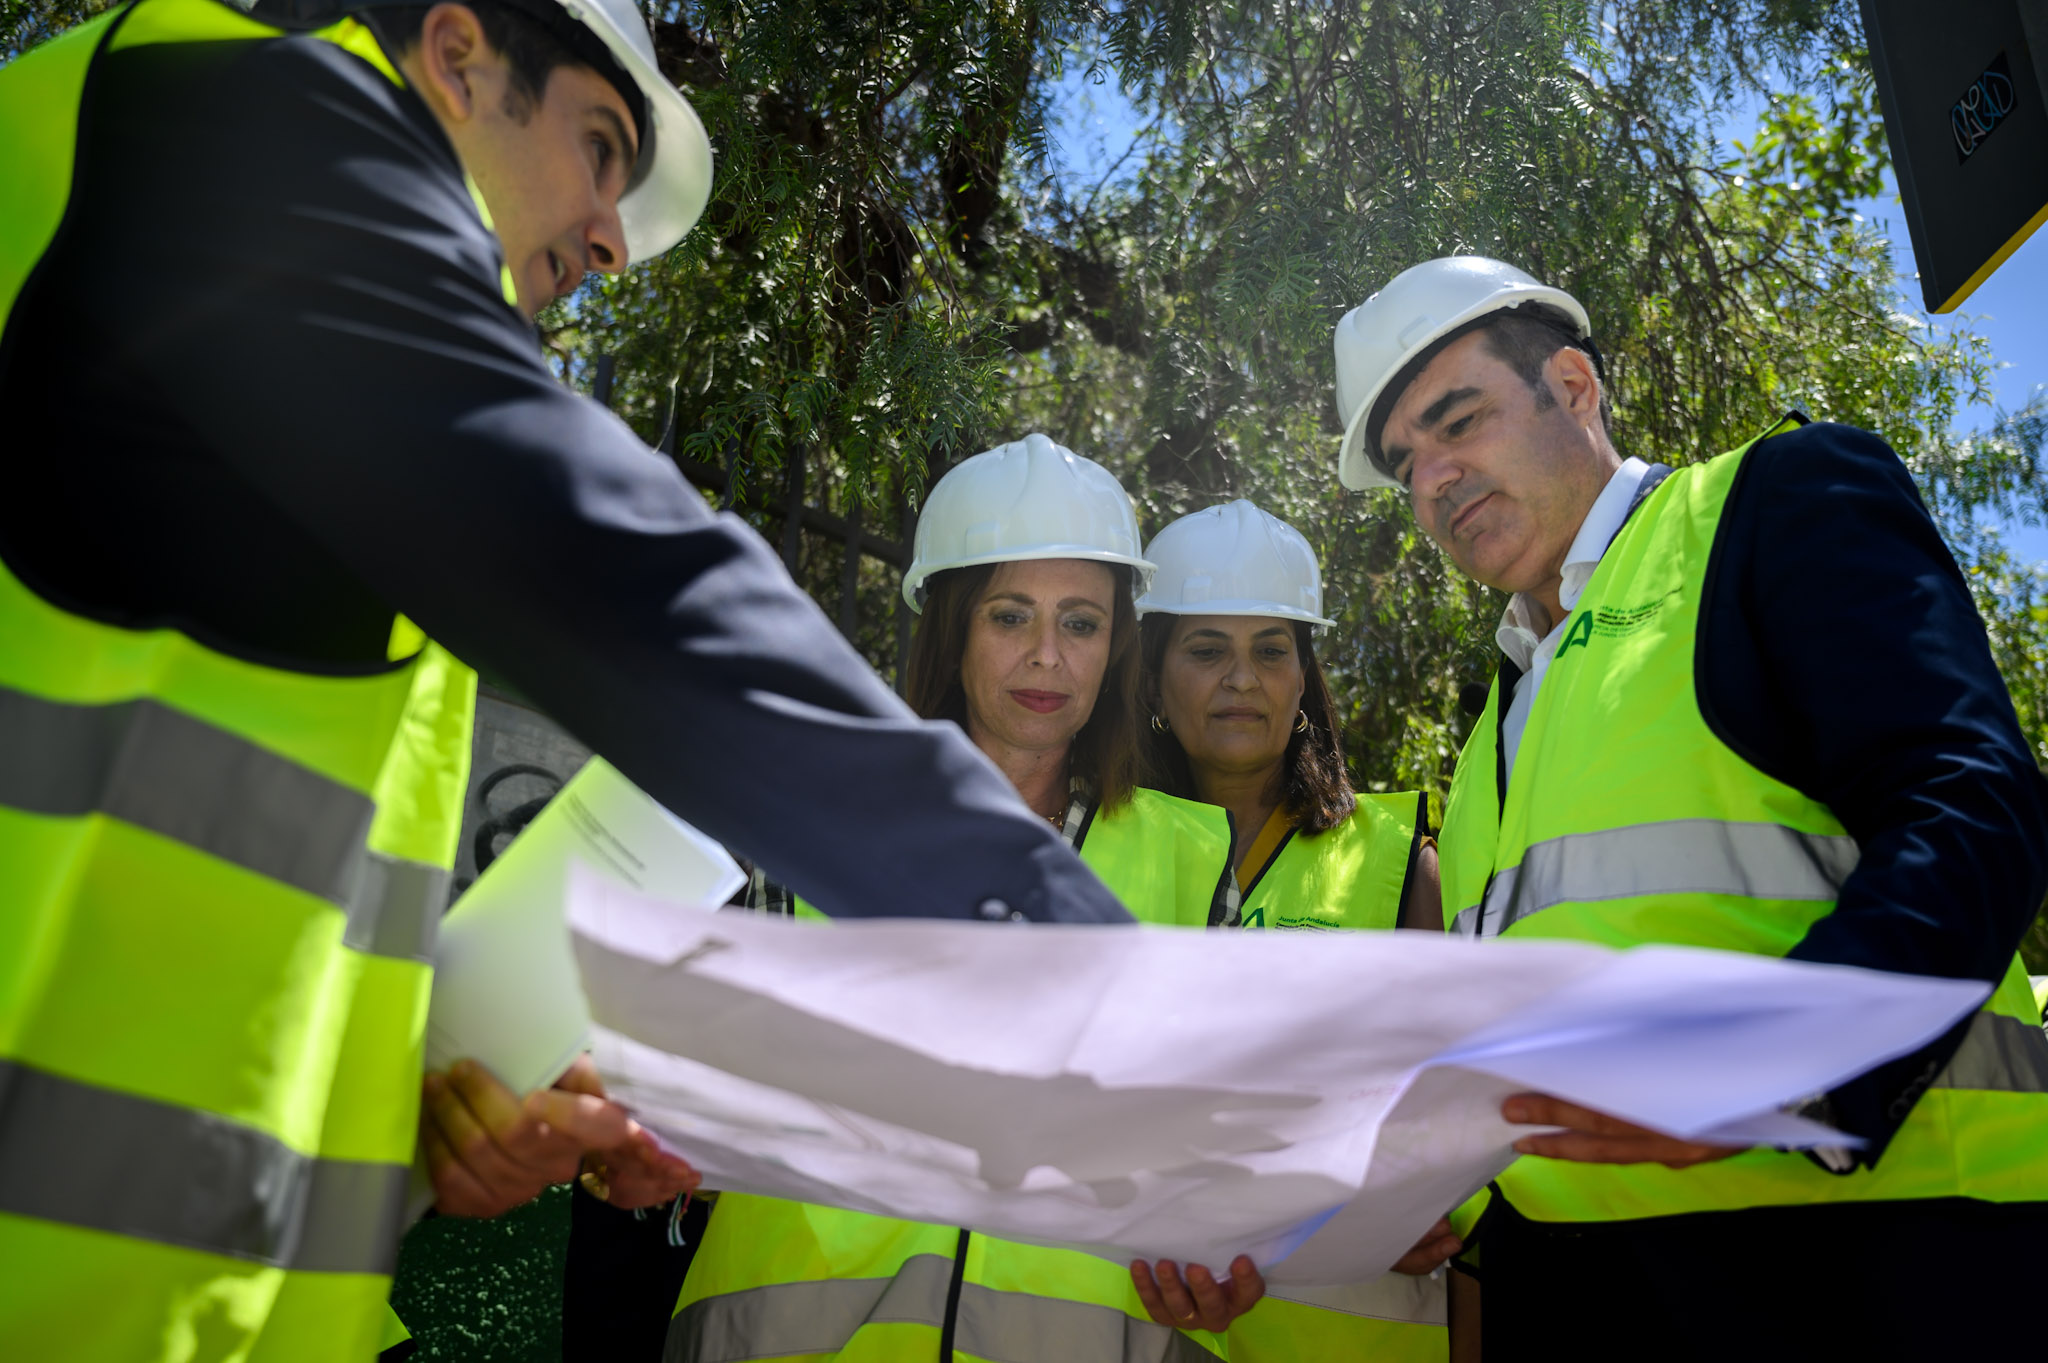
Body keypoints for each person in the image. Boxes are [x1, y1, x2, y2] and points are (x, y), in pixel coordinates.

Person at [0, 2, 1130, 1357]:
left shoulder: (311, 395)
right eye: (600, 149)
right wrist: (1075, 959)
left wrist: (438, 1087)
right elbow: (634, 586)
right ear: (459, 53)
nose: (608, 236)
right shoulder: (239, 126)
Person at [1330, 254, 2048, 1356]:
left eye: (1456, 419)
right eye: (1404, 462)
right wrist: (1430, 1188)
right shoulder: (1487, 743)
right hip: (1589, 1298)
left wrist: (1769, 1060)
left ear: (1573, 388)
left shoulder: (1770, 503)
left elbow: (1969, 803)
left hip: (1872, 1269)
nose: (1432, 479)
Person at [667, 434, 1269, 1362]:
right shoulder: (809, 815)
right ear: (951, 628)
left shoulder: (1191, 857)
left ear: (1115, 647)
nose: (1047, 658)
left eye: (1080, 622)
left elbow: (1214, 1139)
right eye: (1009, 615)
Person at [1136, 498, 1457, 1362]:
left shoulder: (1397, 864)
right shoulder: (1098, 853)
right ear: (1155, 675)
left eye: (1271, 650)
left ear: (1302, 679)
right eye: (1207, 649)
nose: (1242, 677)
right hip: (1142, 1326)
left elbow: (1450, 1130)